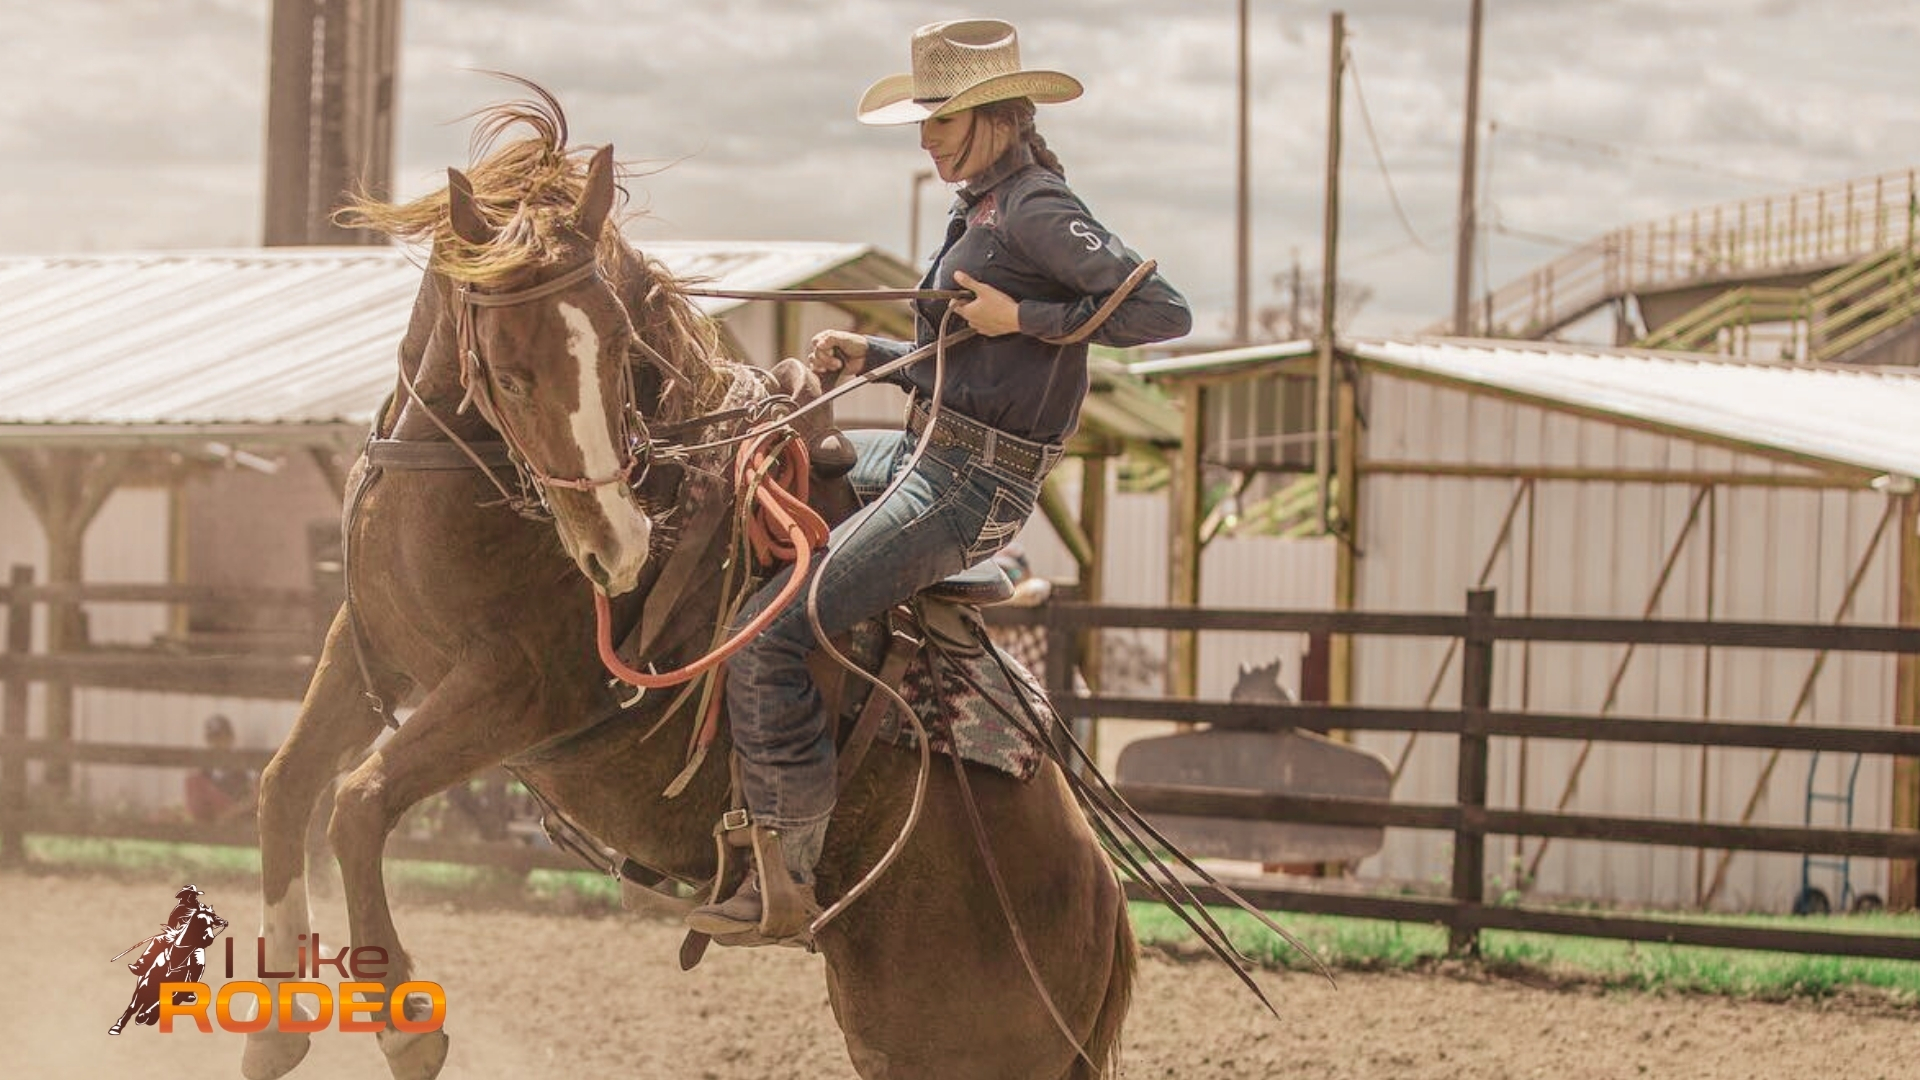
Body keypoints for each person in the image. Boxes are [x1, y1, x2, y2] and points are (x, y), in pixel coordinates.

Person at [686, 17, 1191, 945]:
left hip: (970, 482)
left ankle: (787, 873)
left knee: (769, 639)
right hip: (934, 448)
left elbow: (1163, 311)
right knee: (786, 473)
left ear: (995, 114)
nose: (926, 139)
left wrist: (1023, 315)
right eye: (924, 119)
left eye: (942, 118)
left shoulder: (1035, 208)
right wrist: (875, 351)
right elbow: (967, 355)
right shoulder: (982, 210)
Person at [185, 714, 255, 824]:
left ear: (231, 738)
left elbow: (254, 800)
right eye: (213, 739)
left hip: (237, 825)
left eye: (222, 738)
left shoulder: (245, 771)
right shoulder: (201, 775)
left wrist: (232, 813)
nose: (217, 744)